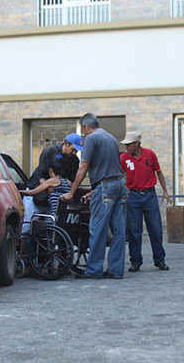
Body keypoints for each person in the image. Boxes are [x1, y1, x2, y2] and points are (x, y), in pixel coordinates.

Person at [61, 113, 127, 279]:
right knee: (119, 231)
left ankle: (94, 270)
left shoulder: (91, 138)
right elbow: (110, 167)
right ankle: (116, 270)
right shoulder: (111, 138)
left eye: (83, 131)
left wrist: (71, 192)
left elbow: (83, 168)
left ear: (85, 127)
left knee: (98, 229)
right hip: (119, 185)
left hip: (105, 188)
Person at [120, 131, 171, 272]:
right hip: (133, 196)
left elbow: (158, 172)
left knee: (155, 229)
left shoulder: (150, 154)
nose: (126, 147)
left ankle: (159, 260)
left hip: (150, 195)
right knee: (134, 230)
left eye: (129, 144)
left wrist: (165, 191)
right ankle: (135, 261)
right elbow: (119, 175)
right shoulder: (124, 158)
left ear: (136, 144)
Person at [22, 133, 83, 234]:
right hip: (37, 193)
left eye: (77, 151)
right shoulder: (49, 151)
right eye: (73, 149)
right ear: (67, 143)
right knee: (28, 227)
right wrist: (47, 186)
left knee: (50, 230)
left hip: (54, 198)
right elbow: (40, 174)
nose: (74, 153)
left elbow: (71, 180)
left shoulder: (75, 160)